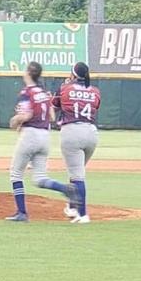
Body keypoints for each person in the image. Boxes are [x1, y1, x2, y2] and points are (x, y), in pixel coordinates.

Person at [6, 62, 77, 222]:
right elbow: (52, 116)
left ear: (29, 74)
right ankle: (65, 189)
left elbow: (26, 115)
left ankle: (22, 213)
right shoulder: (44, 93)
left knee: (16, 174)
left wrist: (14, 120)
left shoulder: (26, 92)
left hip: (30, 135)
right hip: (45, 135)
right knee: (39, 178)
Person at [52, 62, 101, 224]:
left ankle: (83, 214)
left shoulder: (65, 88)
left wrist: (65, 87)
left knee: (77, 175)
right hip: (91, 133)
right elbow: (96, 106)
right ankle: (73, 208)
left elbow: (54, 104)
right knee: (77, 171)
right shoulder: (95, 91)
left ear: (73, 74)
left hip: (72, 131)